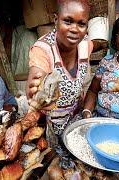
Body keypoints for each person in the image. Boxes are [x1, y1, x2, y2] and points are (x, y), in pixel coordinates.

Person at [26, 0, 93, 135]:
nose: (74, 29)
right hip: (48, 123)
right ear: (56, 20)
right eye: (68, 21)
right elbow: (35, 83)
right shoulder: (42, 50)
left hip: (75, 116)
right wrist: (36, 92)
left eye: (81, 24)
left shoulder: (86, 45)